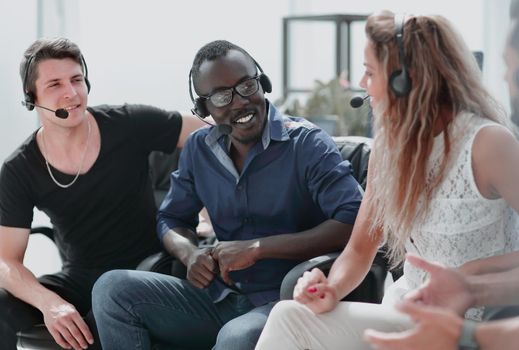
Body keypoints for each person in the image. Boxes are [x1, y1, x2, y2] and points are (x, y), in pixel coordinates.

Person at [255, 11, 519, 350]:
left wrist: (476, 278)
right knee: (289, 318)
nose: (363, 85)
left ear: (405, 80)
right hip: (406, 311)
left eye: (369, 72)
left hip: (473, 325)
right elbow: (360, 248)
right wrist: (331, 289)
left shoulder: (488, 144)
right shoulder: (388, 151)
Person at [91, 39, 363, 350]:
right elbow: (171, 217)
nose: (239, 102)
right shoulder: (198, 149)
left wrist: (258, 248)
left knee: (235, 337)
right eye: (221, 95)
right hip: (219, 298)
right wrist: (189, 253)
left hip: (285, 300)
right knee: (112, 289)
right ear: (203, 109)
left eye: (246, 85)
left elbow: (353, 221)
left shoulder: (308, 145)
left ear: (262, 84)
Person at [0, 37, 207, 350]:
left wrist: (211, 203)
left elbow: (206, 133)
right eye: (54, 84)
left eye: (76, 80)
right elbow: (6, 260)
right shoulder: (20, 168)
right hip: (81, 276)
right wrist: (49, 303)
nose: (70, 93)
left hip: (150, 265)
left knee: (101, 322)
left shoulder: (127, 123)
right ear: (32, 97)